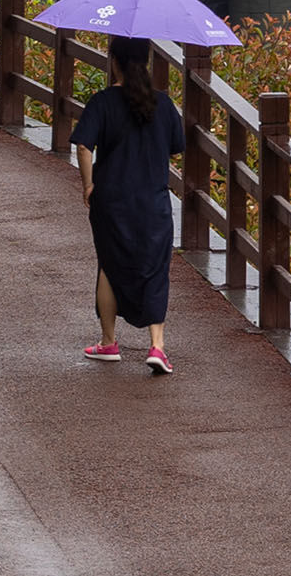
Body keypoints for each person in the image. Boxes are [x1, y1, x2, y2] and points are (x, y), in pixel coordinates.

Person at [68, 36, 183, 373]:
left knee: (110, 264)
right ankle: (157, 347)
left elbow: (83, 146)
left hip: (112, 199)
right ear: (145, 62)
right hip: (154, 200)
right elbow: (177, 146)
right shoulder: (162, 104)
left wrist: (88, 184)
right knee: (155, 268)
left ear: (113, 61)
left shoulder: (102, 102)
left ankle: (108, 342)